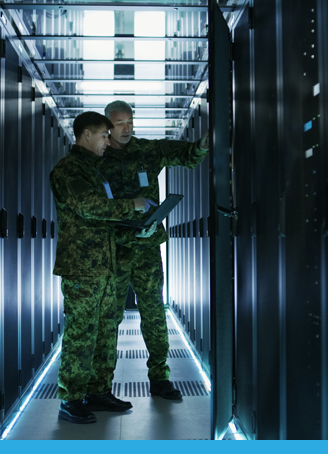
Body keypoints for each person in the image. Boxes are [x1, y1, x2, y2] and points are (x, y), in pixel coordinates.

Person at [97, 100, 210, 400]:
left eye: (130, 121)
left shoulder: (148, 150)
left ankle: (160, 377)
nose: (126, 128)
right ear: (107, 126)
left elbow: (187, 155)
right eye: (120, 123)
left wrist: (205, 144)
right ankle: (101, 385)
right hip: (115, 248)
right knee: (109, 316)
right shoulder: (98, 156)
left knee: (154, 313)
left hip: (146, 247)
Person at [49, 111, 157, 424]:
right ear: (85, 135)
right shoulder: (69, 170)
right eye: (102, 136)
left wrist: (140, 223)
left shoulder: (96, 171)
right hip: (82, 269)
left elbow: (105, 214)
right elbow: (90, 207)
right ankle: (70, 398)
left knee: (107, 330)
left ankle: (97, 390)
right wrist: (132, 204)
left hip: (106, 265)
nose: (107, 142)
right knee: (81, 333)